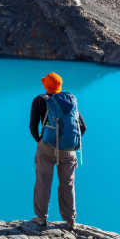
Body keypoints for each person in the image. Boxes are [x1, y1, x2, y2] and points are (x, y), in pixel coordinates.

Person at [29, 72, 86, 230]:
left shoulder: (40, 100)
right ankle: (70, 220)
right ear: (59, 86)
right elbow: (83, 127)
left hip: (47, 147)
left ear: (46, 85)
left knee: (43, 182)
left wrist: (40, 141)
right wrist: (69, 142)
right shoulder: (70, 101)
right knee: (67, 184)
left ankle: (41, 218)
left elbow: (33, 127)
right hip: (69, 150)